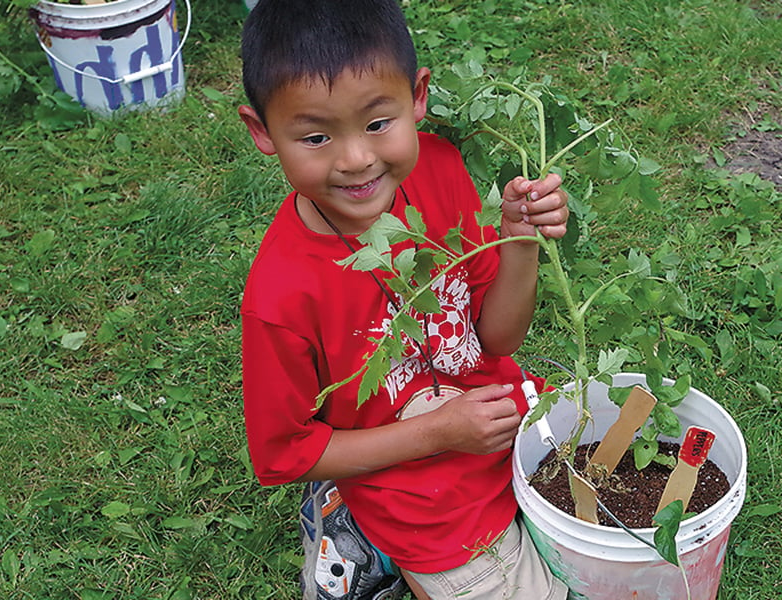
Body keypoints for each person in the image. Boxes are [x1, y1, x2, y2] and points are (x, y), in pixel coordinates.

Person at [237, 1, 570, 599]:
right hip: (418, 489)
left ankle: (353, 523)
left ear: (417, 97)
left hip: (502, 422)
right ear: (263, 132)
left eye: (376, 123)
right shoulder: (282, 295)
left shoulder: (439, 167)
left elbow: (498, 340)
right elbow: (283, 455)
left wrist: (520, 242)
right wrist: (440, 433)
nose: (356, 159)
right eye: (316, 136)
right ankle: (361, 523)